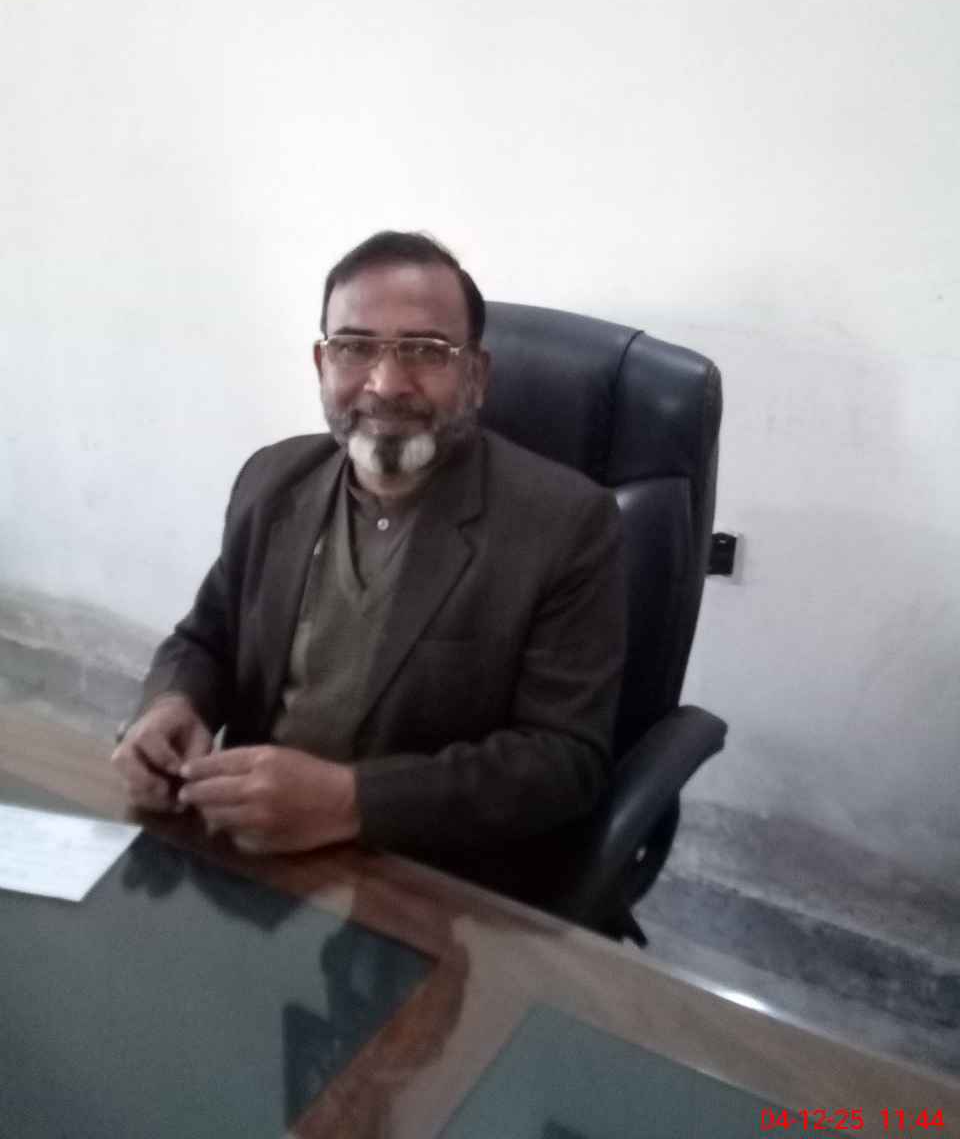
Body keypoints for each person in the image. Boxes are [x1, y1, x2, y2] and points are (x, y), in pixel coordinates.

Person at [111, 231, 626, 873]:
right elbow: (207, 638)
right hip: (245, 848)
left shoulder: (566, 524)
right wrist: (173, 704)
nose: (386, 383)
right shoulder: (272, 480)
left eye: (426, 351)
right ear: (322, 364)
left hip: (422, 877)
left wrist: (350, 801)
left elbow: (563, 761)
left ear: (476, 375)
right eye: (354, 347)